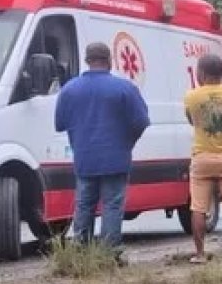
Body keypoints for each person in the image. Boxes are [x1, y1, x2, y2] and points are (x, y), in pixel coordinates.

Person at [54, 41, 150, 249]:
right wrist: (128, 142)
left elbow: (60, 124)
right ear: (109, 61)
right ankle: (110, 252)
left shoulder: (69, 90)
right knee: (112, 206)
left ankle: (81, 250)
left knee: (84, 205)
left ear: (87, 61)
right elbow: (142, 121)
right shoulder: (125, 88)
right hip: (116, 159)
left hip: (85, 159)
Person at [183, 54, 222, 264]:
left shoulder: (192, 96)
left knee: (199, 208)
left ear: (201, 72)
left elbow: (192, 121)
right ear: (221, 72)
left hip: (202, 157)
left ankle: (200, 254)